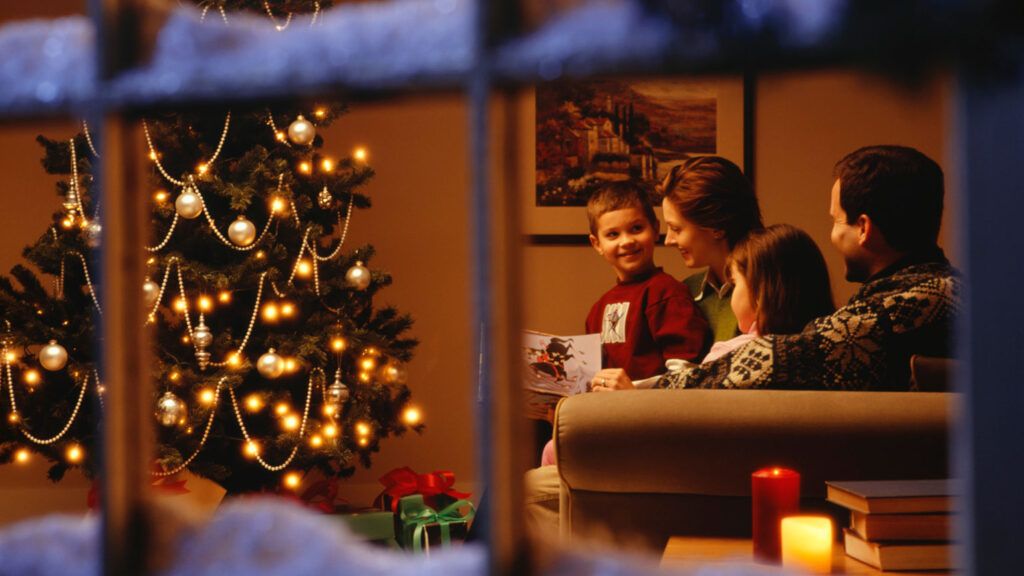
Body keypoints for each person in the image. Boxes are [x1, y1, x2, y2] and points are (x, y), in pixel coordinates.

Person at [598, 145, 959, 392]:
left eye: (836, 221)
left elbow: (776, 359)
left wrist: (644, 392)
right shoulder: (928, 291)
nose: (832, 234)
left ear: (863, 228)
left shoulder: (913, 303)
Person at [583, 181, 708, 380]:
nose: (627, 241)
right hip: (607, 409)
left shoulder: (667, 293)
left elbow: (685, 374)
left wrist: (633, 392)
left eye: (636, 228)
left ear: (655, 229)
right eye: (613, 234)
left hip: (652, 408)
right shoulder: (597, 310)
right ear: (597, 244)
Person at [660, 156, 765, 343]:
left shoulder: (769, 290)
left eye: (676, 229)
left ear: (716, 228)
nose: (668, 240)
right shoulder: (684, 293)